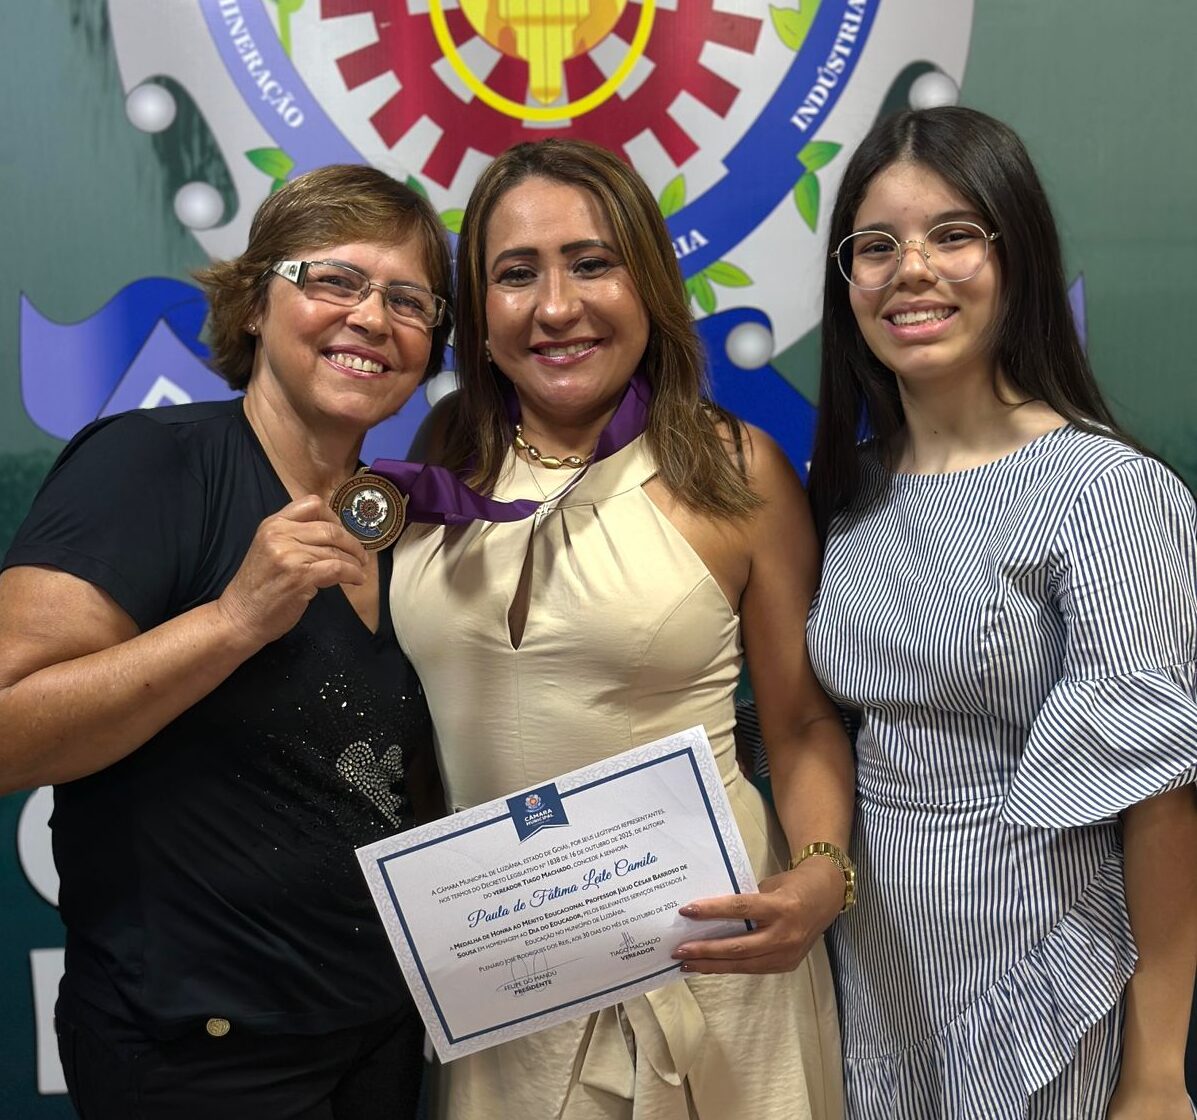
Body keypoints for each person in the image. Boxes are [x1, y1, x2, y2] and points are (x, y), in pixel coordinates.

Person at [390, 137, 851, 1119]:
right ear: (477, 312)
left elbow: (804, 720)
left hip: (712, 962)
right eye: (516, 274)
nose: (556, 306)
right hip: (509, 984)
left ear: (646, 279)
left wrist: (818, 875)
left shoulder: (735, 471)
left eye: (592, 263)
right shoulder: (439, 460)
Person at [0, 164, 452, 1119]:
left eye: (408, 299)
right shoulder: (149, 464)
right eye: (333, 279)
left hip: (380, 1035)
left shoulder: (403, 524)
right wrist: (233, 620)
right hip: (198, 1057)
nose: (372, 317)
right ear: (253, 303)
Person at [805, 105, 1197, 1119]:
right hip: (873, 973)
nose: (912, 271)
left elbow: (1160, 808)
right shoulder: (841, 495)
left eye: (953, 234)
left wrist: (1157, 1075)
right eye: (876, 246)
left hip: (1037, 967)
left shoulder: (1106, 490)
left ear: (1016, 255)